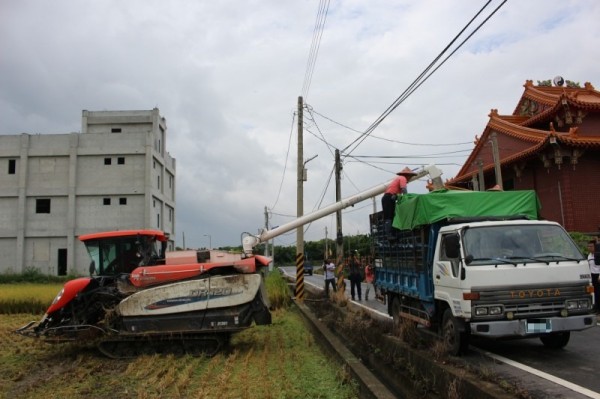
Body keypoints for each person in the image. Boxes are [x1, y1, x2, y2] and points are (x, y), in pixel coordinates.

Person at [381, 167, 416, 234]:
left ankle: (391, 233)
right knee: (389, 216)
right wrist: (407, 200)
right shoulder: (403, 178)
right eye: (410, 176)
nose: (410, 178)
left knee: (390, 216)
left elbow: (398, 194)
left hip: (388, 197)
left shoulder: (398, 179)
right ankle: (389, 234)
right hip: (388, 197)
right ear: (408, 175)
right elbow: (404, 190)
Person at [587, 240, 600, 313]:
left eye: (591, 246)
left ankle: (598, 309)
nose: (589, 248)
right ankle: (595, 307)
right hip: (592, 275)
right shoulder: (589, 255)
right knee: (593, 293)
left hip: (598, 275)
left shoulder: (598, 254)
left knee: (598, 293)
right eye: (588, 246)